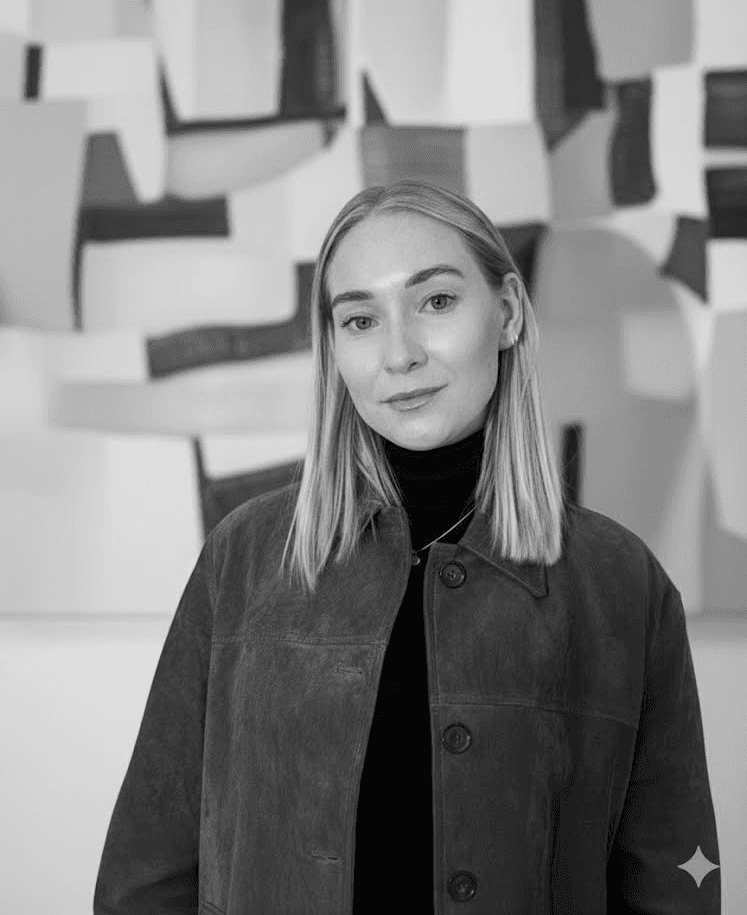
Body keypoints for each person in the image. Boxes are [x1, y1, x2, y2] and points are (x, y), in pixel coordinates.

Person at [93, 180, 720, 913]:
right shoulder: (243, 559)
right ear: (333, 346)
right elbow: (148, 871)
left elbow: (671, 883)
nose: (399, 354)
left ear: (508, 312)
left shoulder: (619, 583)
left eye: (436, 302)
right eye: (359, 319)